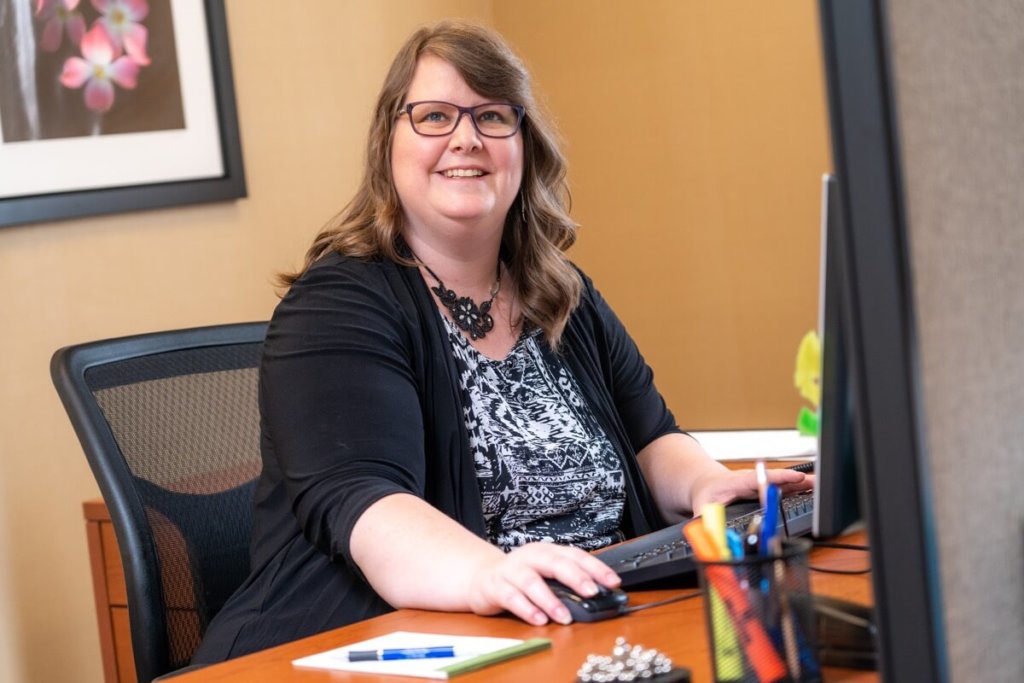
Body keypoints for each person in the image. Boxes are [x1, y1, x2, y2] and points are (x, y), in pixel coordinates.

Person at [192, 20, 811, 664]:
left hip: (577, 619)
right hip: (386, 645)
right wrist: (490, 572)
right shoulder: (337, 305)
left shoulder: (557, 290)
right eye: (434, 116)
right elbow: (367, 507)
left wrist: (706, 484)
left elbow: (651, 435)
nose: (466, 138)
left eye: (492, 116)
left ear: (524, 145)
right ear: (387, 145)